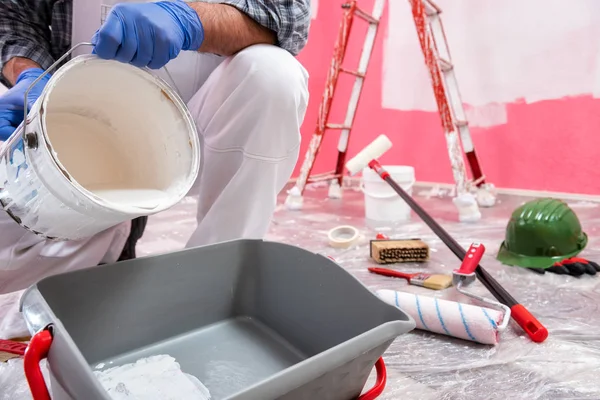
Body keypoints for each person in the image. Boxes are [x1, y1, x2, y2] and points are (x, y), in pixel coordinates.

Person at [0, 0, 310, 294]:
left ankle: (216, 284)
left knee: (273, 75)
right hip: (79, 116)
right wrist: (29, 74)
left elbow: (289, 15)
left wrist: (190, 21)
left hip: (215, 118)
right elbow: (14, 17)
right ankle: (97, 255)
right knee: (30, 265)